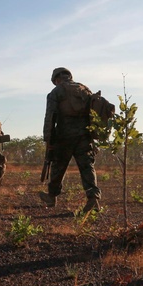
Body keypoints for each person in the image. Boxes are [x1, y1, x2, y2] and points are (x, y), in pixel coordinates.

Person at [39, 67, 102, 213]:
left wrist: (48, 139)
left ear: (56, 79)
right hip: (85, 135)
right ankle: (93, 199)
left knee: (58, 166)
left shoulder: (56, 92)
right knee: (87, 167)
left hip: (64, 135)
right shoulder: (84, 89)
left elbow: (50, 117)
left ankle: (51, 196)